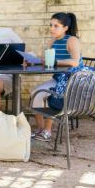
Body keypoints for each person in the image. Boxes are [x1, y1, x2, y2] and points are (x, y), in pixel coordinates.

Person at [30, 12, 83, 142]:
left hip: (72, 80)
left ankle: (48, 131)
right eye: (51, 25)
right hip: (59, 78)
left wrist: (55, 62)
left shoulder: (72, 40)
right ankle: (41, 129)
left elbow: (75, 62)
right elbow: (48, 60)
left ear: (65, 28)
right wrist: (33, 60)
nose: (52, 28)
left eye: (56, 26)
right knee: (35, 93)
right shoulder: (52, 41)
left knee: (50, 95)